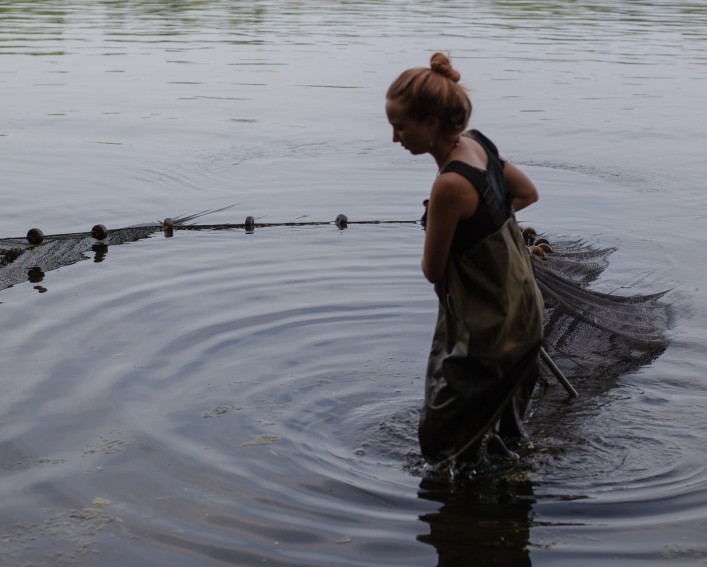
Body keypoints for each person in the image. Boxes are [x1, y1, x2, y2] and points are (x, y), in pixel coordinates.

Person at [385, 52, 545, 468]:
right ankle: (502, 505)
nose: (395, 137)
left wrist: (442, 220)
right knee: (504, 434)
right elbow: (527, 193)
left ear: (431, 124)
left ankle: (461, 509)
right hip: (524, 316)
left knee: (442, 443)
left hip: (487, 332)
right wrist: (483, 225)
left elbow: (432, 271)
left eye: (400, 126)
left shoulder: (449, 186)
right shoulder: (479, 144)